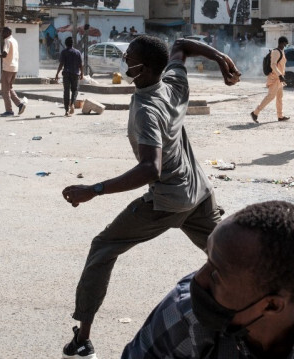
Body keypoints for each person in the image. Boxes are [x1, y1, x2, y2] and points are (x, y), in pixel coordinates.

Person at [60, 35, 240, 359]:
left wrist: (94, 190)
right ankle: (260, 314)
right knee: (231, 257)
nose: (124, 60)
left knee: (103, 247)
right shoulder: (173, 83)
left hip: (166, 201)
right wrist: (221, 57)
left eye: (128, 57)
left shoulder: (146, 110)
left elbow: (149, 169)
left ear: (142, 69)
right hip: (199, 193)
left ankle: (83, 338)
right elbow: (182, 45)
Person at [122, 201, 294, 359]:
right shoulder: (184, 316)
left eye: (218, 274)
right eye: (207, 260)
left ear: (271, 306)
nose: (199, 279)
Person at [251, 36, 289, 123]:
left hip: (279, 79)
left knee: (279, 97)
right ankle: (255, 112)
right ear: (281, 43)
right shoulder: (276, 52)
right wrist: (279, 75)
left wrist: (282, 76)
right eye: (285, 44)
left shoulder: (281, 52)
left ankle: (280, 116)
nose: (285, 46)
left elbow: (281, 66)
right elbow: (273, 65)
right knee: (270, 97)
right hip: (275, 78)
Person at [0, 27, 26, 116]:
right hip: (14, 68)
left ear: (8, 32)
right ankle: (20, 104)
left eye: (3, 32)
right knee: (9, 88)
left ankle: (9, 111)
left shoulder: (7, 41)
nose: (2, 34)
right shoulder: (14, 40)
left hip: (7, 68)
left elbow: (4, 54)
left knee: (5, 91)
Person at [55, 37, 83, 117]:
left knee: (66, 91)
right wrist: (82, 74)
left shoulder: (64, 52)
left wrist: (57, 74)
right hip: (75, 74)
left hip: (66, 73)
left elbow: (61, 64)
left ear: (66, 44)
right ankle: (72, 104)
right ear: (72, 43)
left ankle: (67, 110)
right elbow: (80, 64)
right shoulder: (77, 52)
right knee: (75, 90)